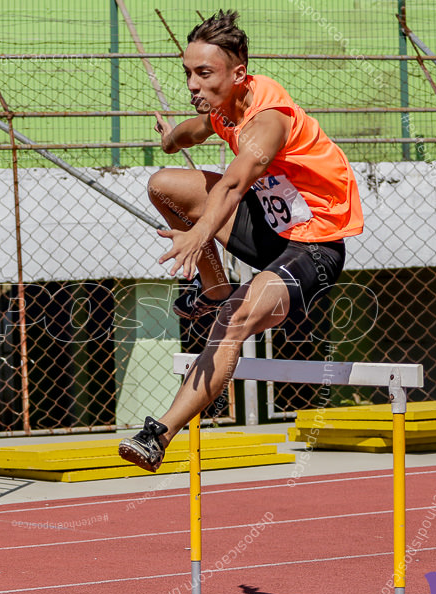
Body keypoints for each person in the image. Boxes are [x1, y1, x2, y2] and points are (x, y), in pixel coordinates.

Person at [119, 11, 363, 471]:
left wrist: (196, 237)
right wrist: (169, 138)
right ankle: (213, 289)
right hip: (271, 229)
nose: (193, 84)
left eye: (204, 74)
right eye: (188, 73)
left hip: (314, 246)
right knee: (163, 184)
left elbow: (232, 187)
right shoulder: (225, 106)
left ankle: (158, 434)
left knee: (232, 321)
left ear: (238, 74)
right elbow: (197, 129)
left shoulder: (266, 120)